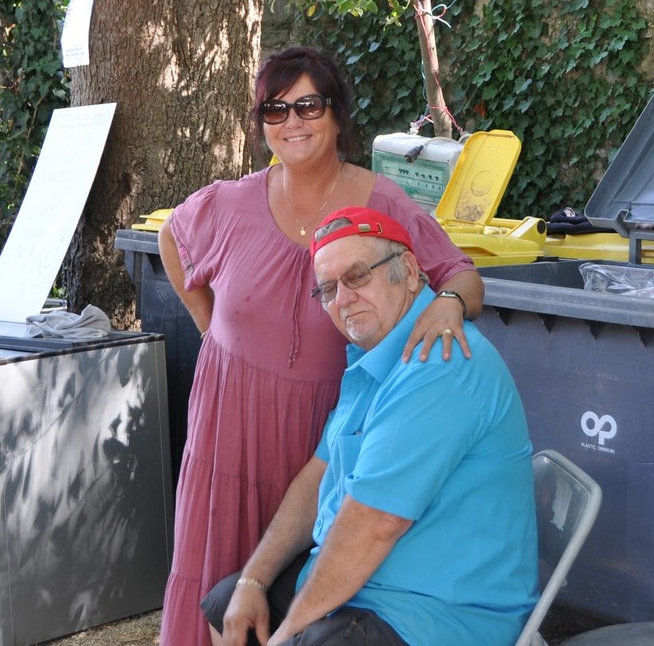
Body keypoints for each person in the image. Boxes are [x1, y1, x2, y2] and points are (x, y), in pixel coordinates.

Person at [158, 47, 486, 646]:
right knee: (215, 578)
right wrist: (213, 332)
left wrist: (448, 305)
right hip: (228, 422)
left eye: (308, 105)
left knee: (300, 579)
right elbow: (171, 239)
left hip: (320, 430)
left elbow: (461, 274)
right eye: (275, 109)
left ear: (336, 114)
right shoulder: (229, 203)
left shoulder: (380, 202)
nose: (292, 122)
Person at [202, 206, 537, 646]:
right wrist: (254, 580)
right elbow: (318, 476)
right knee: (230, 605)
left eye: (357, 276)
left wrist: (286, 635)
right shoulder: (374, 356)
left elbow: (374, 525)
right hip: (368, 588)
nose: (342, 299)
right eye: (327, 289)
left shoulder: (437, 362)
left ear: (409, 272)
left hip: (436, 614)